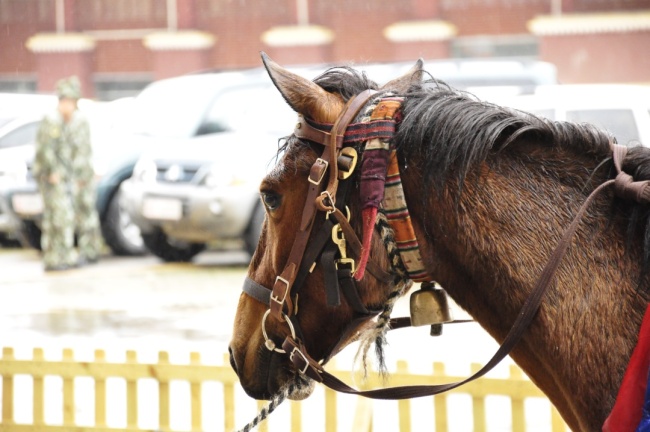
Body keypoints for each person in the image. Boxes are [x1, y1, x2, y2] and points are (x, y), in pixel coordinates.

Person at [33, 76, 102, 271]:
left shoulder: (77, 120)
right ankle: (57, 257)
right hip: (50, 176)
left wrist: (82, 174)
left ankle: (67, 255)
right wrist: (51, 172)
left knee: (66, 216)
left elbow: (81, 149)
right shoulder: (52, 120)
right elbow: (44, 150)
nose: (68, 106)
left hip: (66, 176)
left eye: (71, 102)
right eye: (65, 102)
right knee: (58, 216)